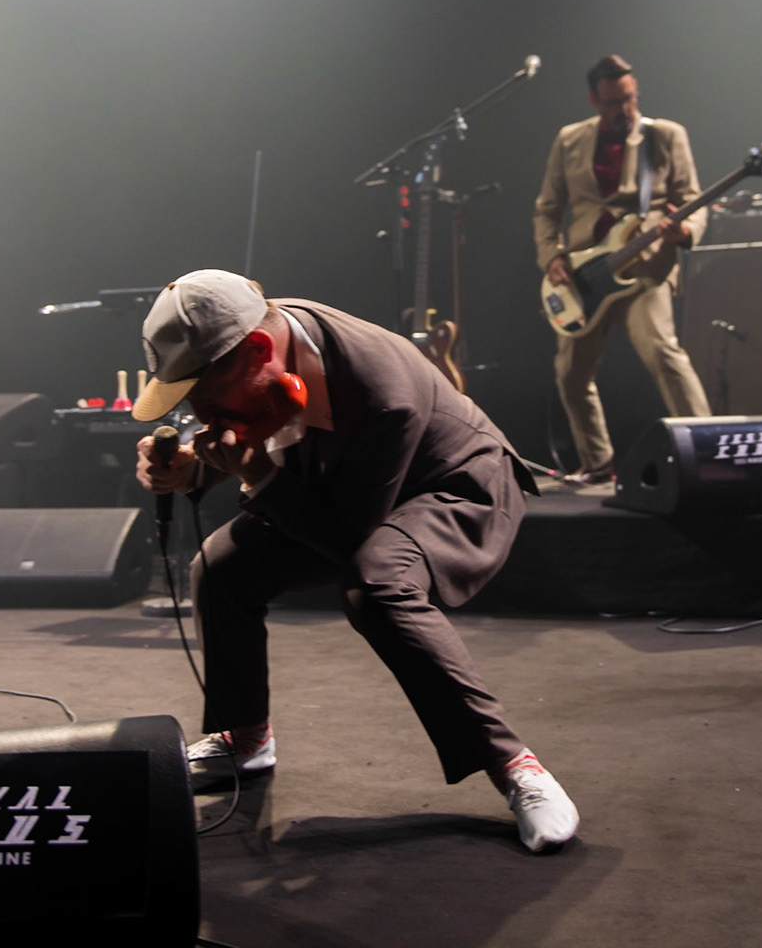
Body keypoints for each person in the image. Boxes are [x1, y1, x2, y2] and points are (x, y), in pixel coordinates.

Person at [131, 270, 579, 853]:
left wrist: (257, 475)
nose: (197, 412)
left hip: (453, 485)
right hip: (346, 486)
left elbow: (345, 539)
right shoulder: (260, 339)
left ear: (259, 352)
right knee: (221, 566)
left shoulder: (378, 390)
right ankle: (245, 737)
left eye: (202, 395)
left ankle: (517, 767)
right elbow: (263, 425)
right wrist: (191, 467)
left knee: (376, 583)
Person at [532, 54, 712, 485]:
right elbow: (547, 209)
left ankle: (707, 450)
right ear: (595, 100)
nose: (624, 109)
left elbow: (693, 197)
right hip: (584, 276)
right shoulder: (570, 139)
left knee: (663, 352)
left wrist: (683, 230)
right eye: (613, 102)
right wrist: (553, 257)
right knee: (571, 375)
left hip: (646, 269)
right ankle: (596, 463)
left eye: (630, 99)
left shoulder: (666, 136)